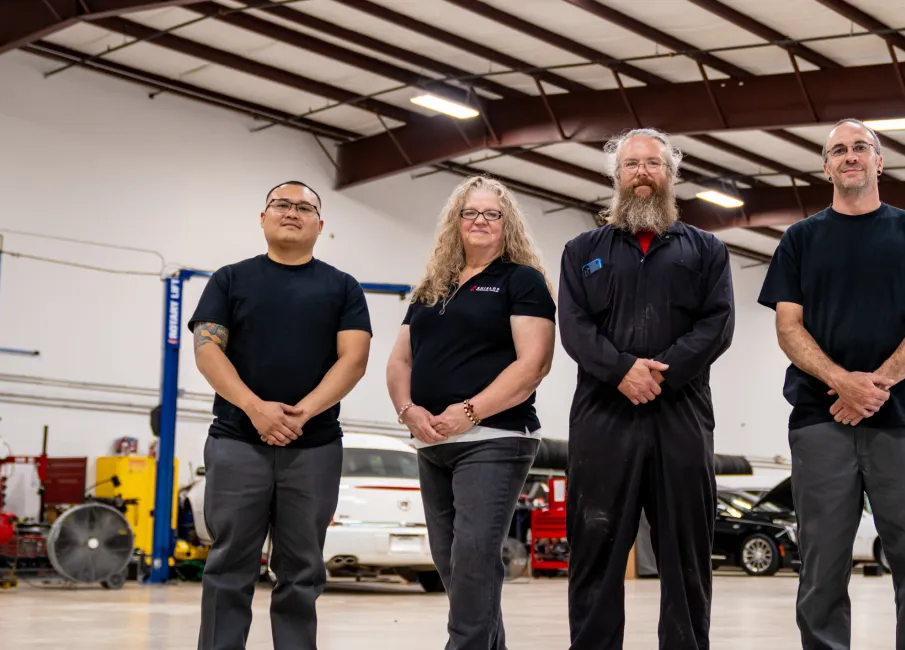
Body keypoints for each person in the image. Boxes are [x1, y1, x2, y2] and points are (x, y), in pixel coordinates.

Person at [758, 119, 905, 650]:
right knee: (822, 563)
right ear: (826, 166)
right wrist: (841, 382)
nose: (850, 156)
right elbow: (787, 326)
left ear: (879, 161)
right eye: (839, 150)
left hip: (902, 420)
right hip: (819, 420)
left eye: (861, 148)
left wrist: (877, 385)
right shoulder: (800, 239)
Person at [558, 128, 736, 650]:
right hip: (602, 416)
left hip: (681, 415)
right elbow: (573, 325)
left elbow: (717, 324)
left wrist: (660, 372)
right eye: (631, 164)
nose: (642, 172)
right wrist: (621, 371)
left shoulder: (706, 250)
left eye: (653, 164)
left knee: (686, 553)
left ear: (670, 175)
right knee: (595, 548)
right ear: (616, 176)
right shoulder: (582, 250)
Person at [190, 180, 373, 650]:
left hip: (312, 450)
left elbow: (353, 359)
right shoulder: (229, 279)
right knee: (229, 564)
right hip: (236, 441)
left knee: (302, 570)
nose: (292, 212)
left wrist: (301, 414)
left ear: (320, 224)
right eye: (281, 204)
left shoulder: (342, 287)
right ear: (263, 216)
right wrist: (255, 409)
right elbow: (208, 350)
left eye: (304, 207)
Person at [386, 176, 556, 650]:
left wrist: (469, 411)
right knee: (452, 562)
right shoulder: (431, 288)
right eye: (470, 213)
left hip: (495, 438)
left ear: (508, 225)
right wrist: (408, 409)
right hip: (432, 440)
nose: (480, 221)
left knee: (475, 555)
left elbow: (534, 364)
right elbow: (400, 359)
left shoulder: (520, 280)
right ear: (455, 222)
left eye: (491, 214)